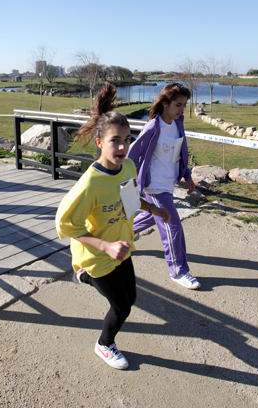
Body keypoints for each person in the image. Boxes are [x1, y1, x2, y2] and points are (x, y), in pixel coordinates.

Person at [55, 82, 171, 370]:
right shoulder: (89, 185)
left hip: (122, 247)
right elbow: (64, 226)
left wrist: (153, 209)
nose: (122, 147)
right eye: (114, 141)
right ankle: (104, 344)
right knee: (122, 307)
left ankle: (84, 277)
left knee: (131, 296)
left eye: (127, 139)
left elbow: (131, 197)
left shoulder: (129, 167)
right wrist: (104, 245)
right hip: (97, 255)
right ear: (99, 143)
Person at [127, 82, 200, 290]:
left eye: (184, 105)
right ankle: (178, 270)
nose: (181, 109)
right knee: (172, 224)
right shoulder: (153, 126)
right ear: (166, 103)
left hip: (169, 183)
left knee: (152, 215)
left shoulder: (177, 124)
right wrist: (122, 179)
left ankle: (119, 235)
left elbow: (180, 150)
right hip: (155, 185)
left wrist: (186, 175)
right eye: (178, 105)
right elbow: (132, 154)